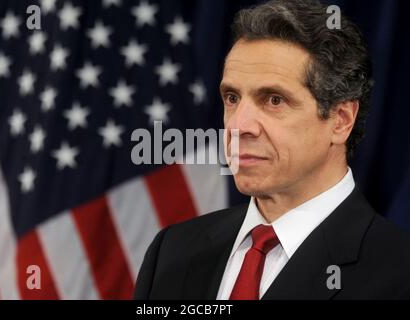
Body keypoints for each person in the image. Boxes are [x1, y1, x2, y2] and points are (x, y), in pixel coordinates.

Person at [134, 0, 410, 300]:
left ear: (340, 121)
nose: (239, 126)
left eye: (274, 100)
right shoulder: (171, 251)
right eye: (232, 98)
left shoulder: (399, 272)